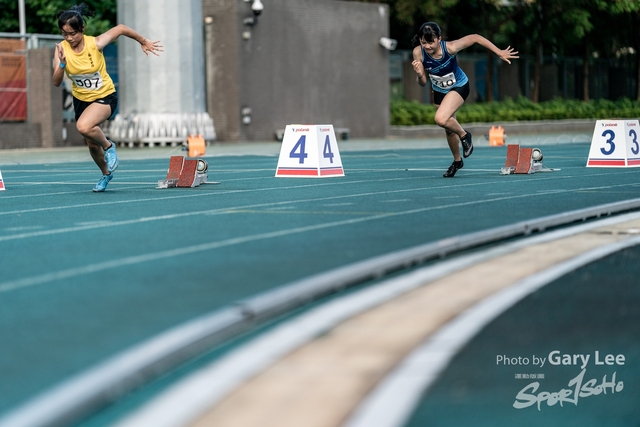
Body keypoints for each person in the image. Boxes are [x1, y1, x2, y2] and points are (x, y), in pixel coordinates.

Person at [52, 3, 163, 191]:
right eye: (65, 34)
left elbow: (120, 28)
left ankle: (109, 146)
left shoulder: (95, 43)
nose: (70, 38)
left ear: (82, 29)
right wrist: (62, 65)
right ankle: (106, 174)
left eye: (73, 33)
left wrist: (143, 40)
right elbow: (56, 82)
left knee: (83, 126)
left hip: (105, 96)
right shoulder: (61, 49)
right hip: (81, 100)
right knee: (90, 143)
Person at [411, 22, 518, 177]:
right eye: (424, 42)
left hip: (459, 86)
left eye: (431, 42)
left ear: (439, 39)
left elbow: (475, 38)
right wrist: (420, 74)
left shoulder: (451, 47)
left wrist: (498, 52)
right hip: (439, 91)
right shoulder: (418, 53)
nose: (427, 46)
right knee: (448, 130)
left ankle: (464, 135)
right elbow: (422, 83)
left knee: (441, 119)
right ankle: (457, 161)